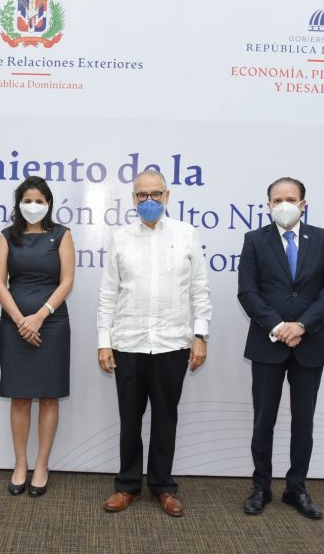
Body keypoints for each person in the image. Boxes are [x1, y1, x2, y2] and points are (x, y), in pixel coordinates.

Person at [97, 169, 212, 517]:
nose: (149, 201)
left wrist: (200, 335)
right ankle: (128, 485)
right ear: (133, 199)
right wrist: (104, 341)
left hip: (172, 344)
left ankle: (163, 486)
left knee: (165, 418)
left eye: (155, 194)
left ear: (167, 196)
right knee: (129, 419)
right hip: (128, 343)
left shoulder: (187, 234)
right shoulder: (120, 238)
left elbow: (199, 290)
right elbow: (107, 295)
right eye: (141, 195)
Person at [238, 177, 324, 519]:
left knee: (304, 423)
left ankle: (296, 489)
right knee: (262, 421)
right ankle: (261, 488)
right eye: (277, 199)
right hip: (268, 345)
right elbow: (248, 292)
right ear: (268, 205)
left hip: (309, 345)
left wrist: (302, 326)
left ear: (303, 204)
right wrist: (280, 327)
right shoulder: (254, 240)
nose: (284, 204)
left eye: (291, 199)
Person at [0, 176, 75, 497]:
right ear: (19, 204)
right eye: (28, 200)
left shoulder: (62, 235)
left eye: (40, 200)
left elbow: (66, 282)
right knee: (20, 396)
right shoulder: (7, 236)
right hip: (13, 325)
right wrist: (20, 320)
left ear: (49, 203)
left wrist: (39, 316)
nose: (33, 206)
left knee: (50, 395)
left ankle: (41, 464)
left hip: (52, 323)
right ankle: (20, 464)